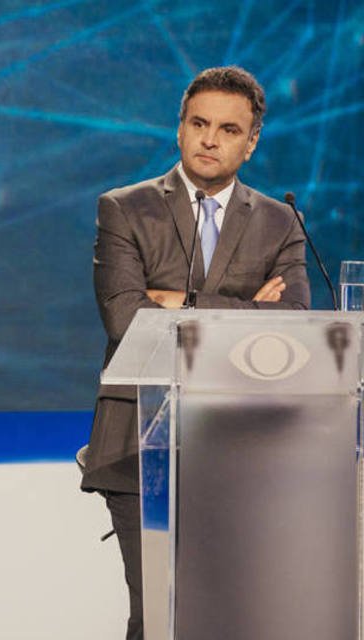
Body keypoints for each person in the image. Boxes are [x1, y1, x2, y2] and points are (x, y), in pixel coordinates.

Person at [80, 66, 310, 640]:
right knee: (159, 615)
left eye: (228, 129)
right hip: (138, 446)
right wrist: (243, 308)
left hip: (243, 443)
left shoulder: (281, 221)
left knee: (232, 616)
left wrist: (181, 301)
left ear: (251, 141)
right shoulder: (125, 209)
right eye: (199, 123)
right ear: (180, 127)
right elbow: (128, 320)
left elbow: (294, 327)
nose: (210, 139)